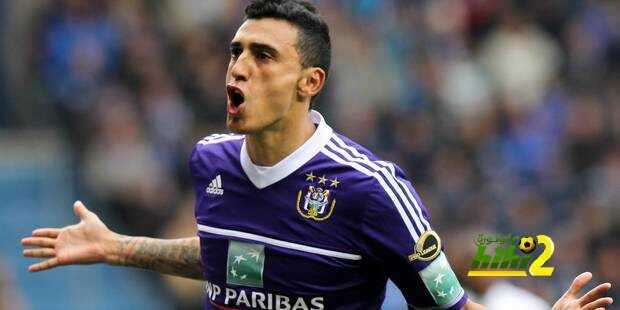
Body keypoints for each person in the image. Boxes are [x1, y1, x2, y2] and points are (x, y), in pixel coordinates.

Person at [21, 1, 613, 309]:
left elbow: (447, 291)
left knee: (470, 248)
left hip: (447, 266)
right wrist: (116, 247)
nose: (239, 67)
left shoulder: (373, 188)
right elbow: (231, 258)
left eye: (263, 55)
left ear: (311, 82)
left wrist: (536, 268)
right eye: (236, 51)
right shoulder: (208, 161)